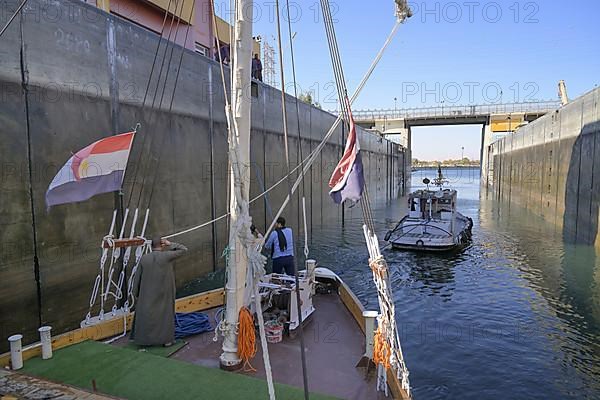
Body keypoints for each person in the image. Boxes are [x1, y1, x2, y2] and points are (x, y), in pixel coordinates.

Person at [130, 237, 187, 347]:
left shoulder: (144, 258)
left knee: (146, 315)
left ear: (151, 246)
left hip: (146, 293)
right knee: (165, 316)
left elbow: (137, 278)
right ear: (162, 245)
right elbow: (183, 249)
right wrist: (169, 243)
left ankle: (144, 341)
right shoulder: (167, 256)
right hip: (164, 293)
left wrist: (135, 293)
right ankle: (166, 341)